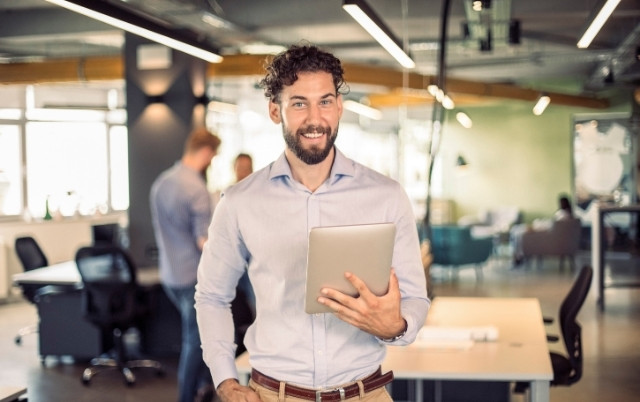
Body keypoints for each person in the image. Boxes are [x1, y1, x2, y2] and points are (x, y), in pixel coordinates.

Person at [195, 44, 430, 402]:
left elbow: (414, 297)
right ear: (276, 110)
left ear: (338, 107)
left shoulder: (386, 195)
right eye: (299, 103)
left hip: (365, 393)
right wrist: (225, 380)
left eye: (324, 101)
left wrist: (396, 326)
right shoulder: (240, 201)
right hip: (273, 394)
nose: (315, 118)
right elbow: (212, 295)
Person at [150, 127, 221, 402]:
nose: (211, 162)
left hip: (169, 275)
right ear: (206, 152)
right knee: (195, 342)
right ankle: (185, 397)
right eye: (212, 156)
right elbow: (203, 241)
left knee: (198, 335)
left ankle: (204, 387)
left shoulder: (161, 182)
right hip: (192, 276)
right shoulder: (196, 188)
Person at [511, 194, 574, 266]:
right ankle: (518, 255)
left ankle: (518, 255)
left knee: (519, 231)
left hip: (546, 229)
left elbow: (553, 226)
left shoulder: (563, 214)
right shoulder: (566, 214)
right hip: (548, 228)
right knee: (518, 230)